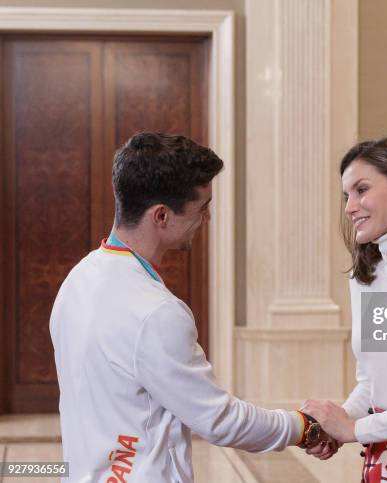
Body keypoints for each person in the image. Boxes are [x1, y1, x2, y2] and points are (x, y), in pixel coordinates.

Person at [50, 132, 331, 482]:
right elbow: (221, 421)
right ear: (162, 216)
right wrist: (304, 426)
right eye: (203, 208)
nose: (207, 219)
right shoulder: (156, 313)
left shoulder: (77, 281)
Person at [302, 137, 387, 482]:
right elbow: (374, 384)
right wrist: (337, 423)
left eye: (361, 189)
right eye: (346, 195)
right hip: (381, 459)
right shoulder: (365, 276)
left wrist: (354, 428)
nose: (350, 207)